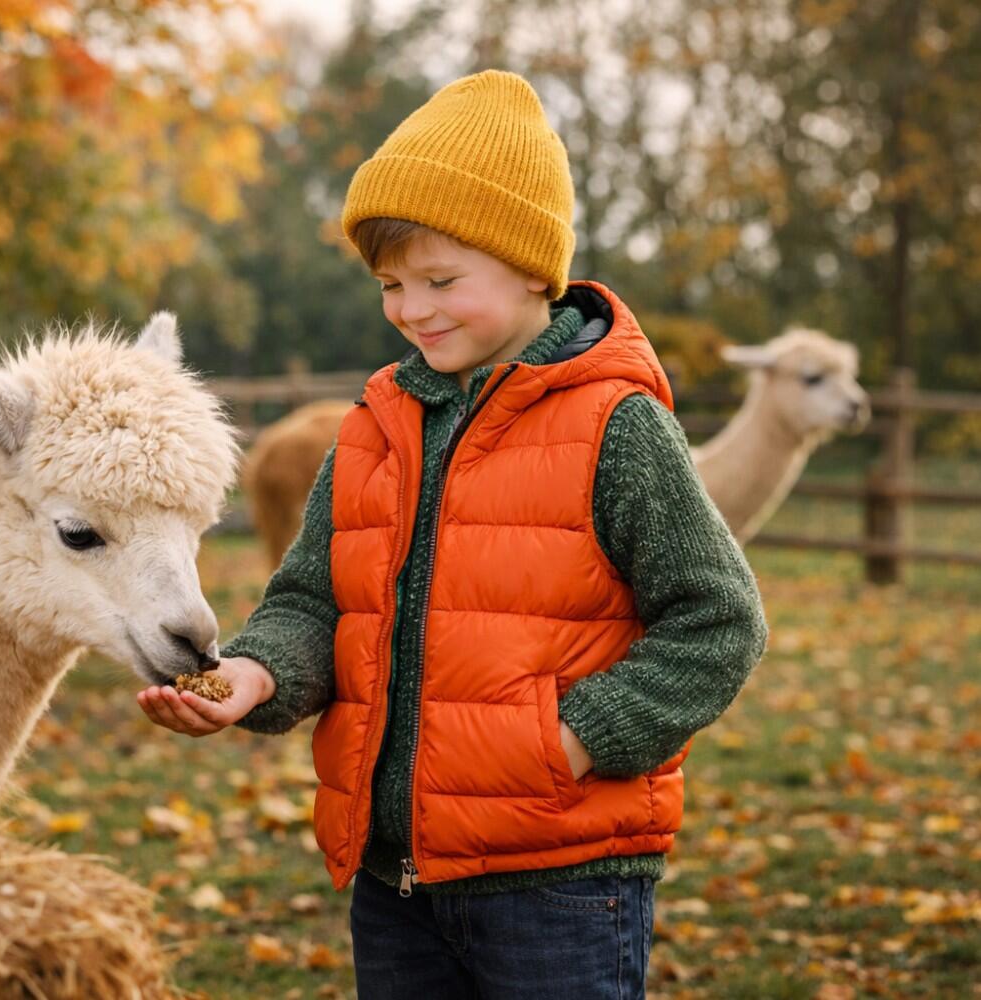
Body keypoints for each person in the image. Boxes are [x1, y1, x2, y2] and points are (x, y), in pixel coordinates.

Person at [137, 70, 767, 999]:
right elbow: (316, 599)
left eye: (440, 280)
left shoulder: (617, 427)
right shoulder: (376, 423)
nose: (410, 309)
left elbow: (720, 622)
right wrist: (256, 676)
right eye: (392, 284)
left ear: (528, 269)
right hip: (392, 878)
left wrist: (576, 739)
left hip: (559, 883)